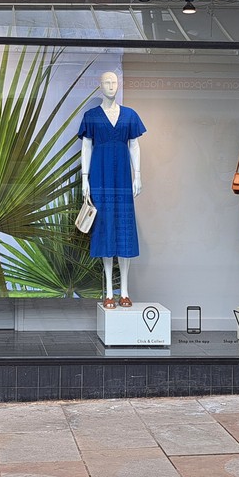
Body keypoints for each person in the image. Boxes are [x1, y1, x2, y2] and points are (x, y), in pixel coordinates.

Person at [79, 71, 146, 308]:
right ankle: (109, 290)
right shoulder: (91, 117)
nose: (111, 85)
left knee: (124, 229)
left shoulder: (130, 115)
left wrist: (138, 174)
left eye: (114, 82)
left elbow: (134, 145)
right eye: (106, 82)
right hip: (100, 176)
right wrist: (85, 178)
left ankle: (124, 291)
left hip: (123, 179)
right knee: (105, 228)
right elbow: (86, 147)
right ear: (100, 86)